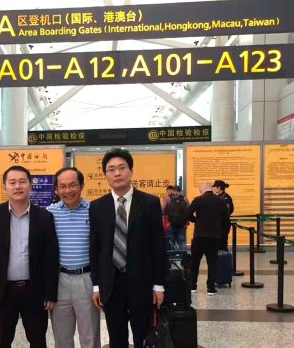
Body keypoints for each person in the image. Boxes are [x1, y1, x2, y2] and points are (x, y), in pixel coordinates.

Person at [89, 148, 166, 348]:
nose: (117, 173)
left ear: (131, 171)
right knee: (116, 338)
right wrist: (96, 285)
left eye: (122, 168)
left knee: (143, 335)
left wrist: (159, 285)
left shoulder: (149, 203)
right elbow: (95, 249)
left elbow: (158, 246)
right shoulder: (97, 207)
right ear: (105, 174)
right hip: (111, 285)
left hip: (142, 283)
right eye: (111, 169)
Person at [0, 165, 59, 348]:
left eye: (22, 182)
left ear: (30, 185)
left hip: (34, 291)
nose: (17, 186)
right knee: (2, 340)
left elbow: (51, 258)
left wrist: (50, 293)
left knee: (38, 340)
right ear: (5, 186)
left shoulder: (44, 217)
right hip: (3, 291)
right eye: (12, 182)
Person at [47, 167, 100, 348]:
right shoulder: (49, 213)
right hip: (59, 280)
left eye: (72, 185)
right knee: (62, 337)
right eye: (62, 186)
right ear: (56, 190)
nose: (67, 191)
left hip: (86, 279)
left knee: (90, 336)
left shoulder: (94, 212)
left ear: (81, 186)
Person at [185, 182, 229, 296]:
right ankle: (211, 287)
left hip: (199, 236)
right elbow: (226, 221)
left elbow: (188, 213)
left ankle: (193, 286)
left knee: (195, 262)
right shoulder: (221, 201)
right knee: (212, 263)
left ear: (203, 190)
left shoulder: (198, 200)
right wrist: (222, 234)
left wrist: (196, 220)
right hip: (214, 237)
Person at [164, 185, 189, 251]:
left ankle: (172, 258)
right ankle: (182, 259)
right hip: (182, 224)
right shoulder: (185, 198)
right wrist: (186, 222)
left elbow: (163, 210)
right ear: (180, 190)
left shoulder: (168, 198)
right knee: (182, 241)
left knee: (171, 241)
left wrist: (167, 219)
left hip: (171, 224)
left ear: (173, 190)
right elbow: (189, 209)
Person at [212, 180, 234, 251]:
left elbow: (229, 210)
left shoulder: (226, 198)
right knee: (217, 243)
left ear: (219, 187)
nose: (213, 188)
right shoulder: (218, 197)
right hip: (218, 223)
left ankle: (224, 259)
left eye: (214, 187)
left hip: (223, 224)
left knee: (222, 243)